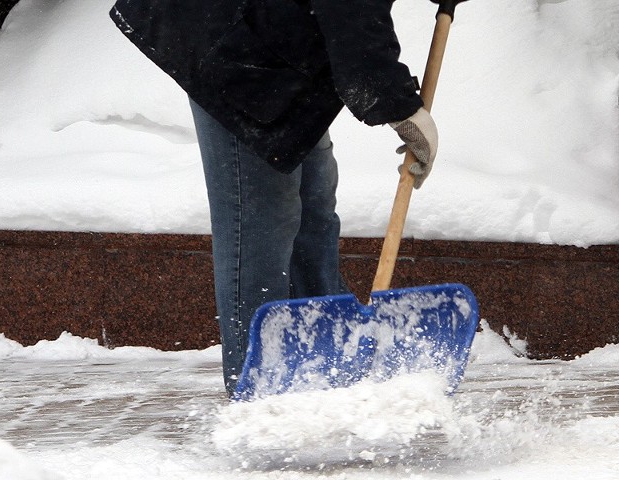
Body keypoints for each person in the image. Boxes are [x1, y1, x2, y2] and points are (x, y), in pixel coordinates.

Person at [110, 0, 439, 396]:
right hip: (240, 44)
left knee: (313, 212)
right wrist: (399, 106)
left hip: (284, 42)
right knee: (262, 225)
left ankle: (328, 374)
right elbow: (351, 12)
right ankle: (260, 401)